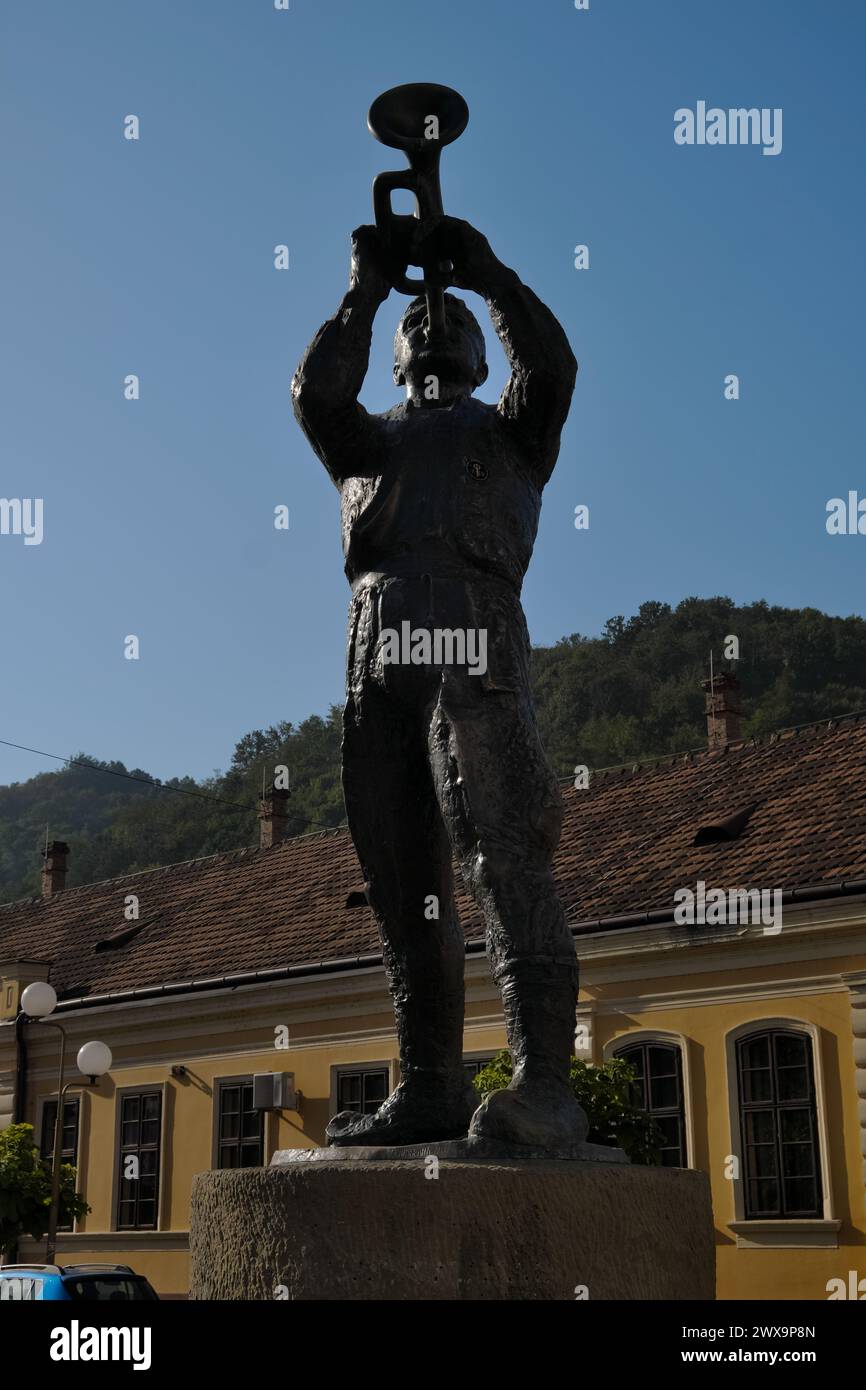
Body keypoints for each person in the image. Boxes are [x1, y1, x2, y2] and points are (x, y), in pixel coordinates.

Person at [292, 215, 585, 1150]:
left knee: (503, 853)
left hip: (473, 629)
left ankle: (545, 1084)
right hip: (374, 649)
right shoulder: (365, 444)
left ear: (480, 353)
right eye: (418, 325)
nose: (432, 327)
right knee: (402, 875)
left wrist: (491, 276)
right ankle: (427, 1086)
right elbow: (313, 395)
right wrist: (364, 288)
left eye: (450, 321)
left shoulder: (512, 434)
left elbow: (554, 366)